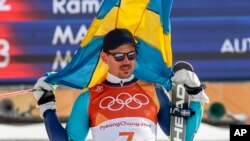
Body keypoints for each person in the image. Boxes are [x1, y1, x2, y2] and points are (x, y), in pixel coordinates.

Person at [33, 28, 209, 141]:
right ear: (104, 57)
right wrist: (47, 105)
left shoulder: (154, 90)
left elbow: (181, 136)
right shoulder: (88, 97)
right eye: (119, 56)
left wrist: (194, 93)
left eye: (131, 55)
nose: (126, 61)